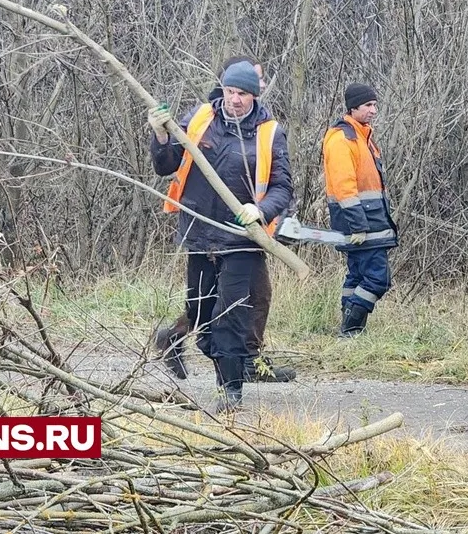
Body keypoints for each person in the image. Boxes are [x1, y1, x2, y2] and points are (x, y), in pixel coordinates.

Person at [147, 60, 294, 412]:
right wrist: (161, 135)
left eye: (242, 94)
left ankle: (231, 392)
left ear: (254, 96)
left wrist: (260, 210)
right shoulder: (199, 119)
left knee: (231, 316)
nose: (235, 99)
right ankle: (212, 357)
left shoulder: (269, 132)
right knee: (201, 317)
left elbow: (282, 187)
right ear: (223, 90)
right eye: (230, 92)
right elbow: (165, 165)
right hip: (199, 234)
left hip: (241, 240)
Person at [322, 83, 398, 337]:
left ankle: (348, 329)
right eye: (368, 105)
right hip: (363, 224)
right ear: (353, 107)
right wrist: (359, 226)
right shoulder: (344, 139)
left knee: (356, 275)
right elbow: (345, 187)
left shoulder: (362, 137)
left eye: (375, 105)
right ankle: (351, 329)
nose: (374, 110)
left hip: (370, 221)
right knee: (378, 279)